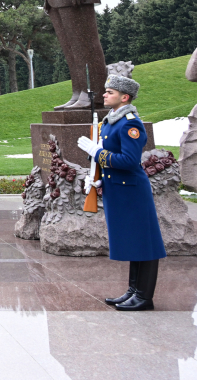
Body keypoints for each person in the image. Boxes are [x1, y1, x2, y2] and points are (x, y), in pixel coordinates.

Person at [77, 75, 166, 311]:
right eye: (105, 91)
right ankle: (134, 291)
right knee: (133, 242)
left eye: (110, 92)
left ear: (124, 97)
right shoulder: (110, 121)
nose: (104, 94)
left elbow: (129, 161)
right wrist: (95, 175)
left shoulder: (130, 123)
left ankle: (144, 296)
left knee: (144, 243)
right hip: (117, 189)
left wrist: (98, 153)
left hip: (132, 191)